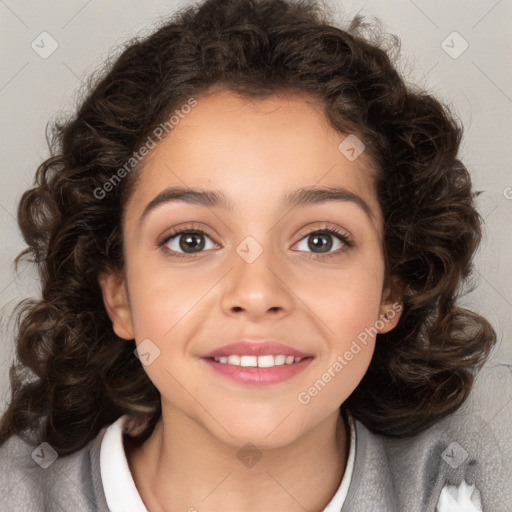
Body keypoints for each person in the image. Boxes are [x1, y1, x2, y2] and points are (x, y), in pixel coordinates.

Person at [0, 0, 510, 510]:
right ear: (118, 296)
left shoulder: (482, 476)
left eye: (321, 240)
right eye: (191, 240)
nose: (258, 293)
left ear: (391, 289)